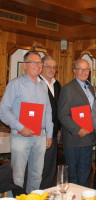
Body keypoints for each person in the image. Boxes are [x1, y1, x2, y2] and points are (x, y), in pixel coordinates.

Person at [0, 51, 53, 193]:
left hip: (40, 136)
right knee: (17, 177)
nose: (38, 65)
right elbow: (3, 110)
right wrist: (21, 127)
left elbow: (48, 111)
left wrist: (49, 134)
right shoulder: (15, 84)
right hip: (20, 136)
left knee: (36, 175)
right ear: (24, 65)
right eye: (34, 62)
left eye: (40, 62)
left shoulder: (43, 86)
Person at [58, 59, 95, 187]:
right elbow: (62, 114)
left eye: (86, 69)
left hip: (88, 136)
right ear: (74, 71)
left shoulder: (90, 88)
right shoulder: (67, 88)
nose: (84, 72)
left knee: (85, 172)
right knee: (73, 174)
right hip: (74, 137)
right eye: (81, 69)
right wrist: (78, 129)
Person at [39, 56, 61, 189]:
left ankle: (45, 193)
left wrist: (59, 129)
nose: (51, 69)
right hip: (38, 132)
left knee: (49, 167)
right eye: (48, 66)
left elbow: (58, 109)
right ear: (41, 66)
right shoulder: (36, 83)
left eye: (54, 67)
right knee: (36, 168)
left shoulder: (57, 84)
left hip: (52, 133)